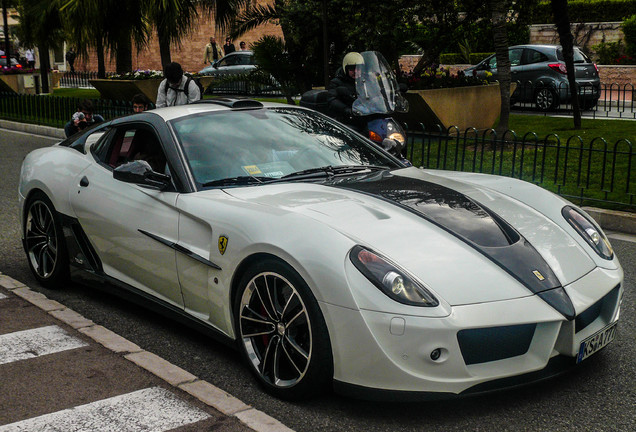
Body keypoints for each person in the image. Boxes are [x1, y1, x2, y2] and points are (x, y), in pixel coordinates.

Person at [326, 52, 364, 126]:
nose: (356, 71)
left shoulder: (365, 81)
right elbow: (332, 100)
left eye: (358, 68)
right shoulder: (337, 82)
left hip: (365, 116)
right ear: (345, 69)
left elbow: (375, 94)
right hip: (346, 120)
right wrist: (346, 109)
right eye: (352, 69)